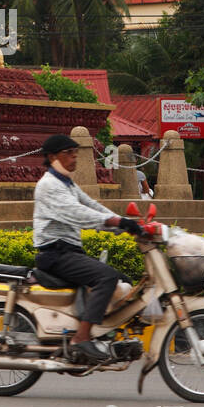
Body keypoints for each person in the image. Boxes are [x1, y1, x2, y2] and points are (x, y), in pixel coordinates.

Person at [33, 133, 144, 364]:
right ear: (52, 157)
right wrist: (117, 222)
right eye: (68, 153)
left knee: (126, 280)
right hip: (55, 254)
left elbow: (92, 206)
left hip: (69, 252)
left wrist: (128, 224)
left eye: (75, 152)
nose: (74, 157)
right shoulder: (49, 185)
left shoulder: (67, 183)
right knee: (107, 277)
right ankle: (81, 339)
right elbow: (78, 213)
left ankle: (105, 333)